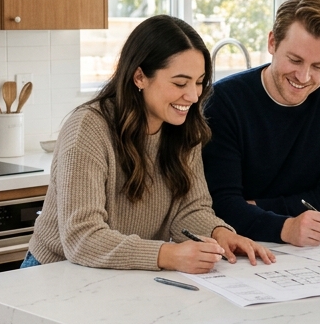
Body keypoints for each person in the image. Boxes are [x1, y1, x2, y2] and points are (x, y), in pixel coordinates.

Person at [24, 15, 273, 272]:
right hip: (54, 272)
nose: (192, 95)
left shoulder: (184, 126)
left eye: (199, 82)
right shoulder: (88, 128)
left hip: (119, 277)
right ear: (140, 77)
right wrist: (168, 255)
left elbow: (189, 210)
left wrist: (220, 233)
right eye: (180, 83)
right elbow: (82, 238)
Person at [203, 0, 320, 246]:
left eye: (318, 66)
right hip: (240, 245)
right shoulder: (223, 101)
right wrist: (286, 226)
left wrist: (257, 207)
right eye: (295, 60)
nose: (303, 76)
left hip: (308, 246)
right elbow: (220, 205)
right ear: (272, 42)